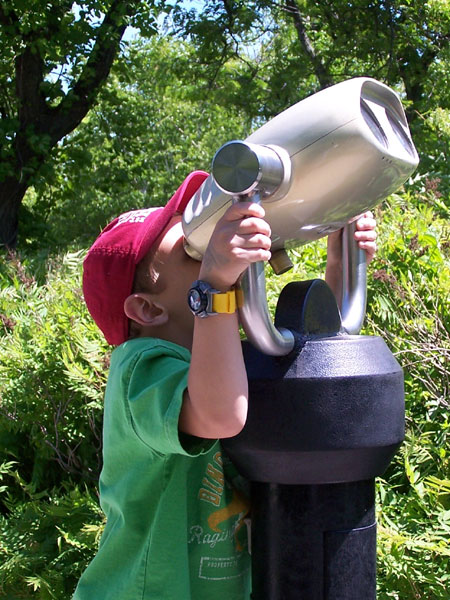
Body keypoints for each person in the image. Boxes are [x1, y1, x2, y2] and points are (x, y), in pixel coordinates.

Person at [74, 170, 377, 600]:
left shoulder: (219, 357)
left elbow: (308, 376)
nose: (207, 241)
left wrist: (340, 263)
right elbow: (220, 413)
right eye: (191, 251)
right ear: (147, 308)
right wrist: (214, 287)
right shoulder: (138, 369)